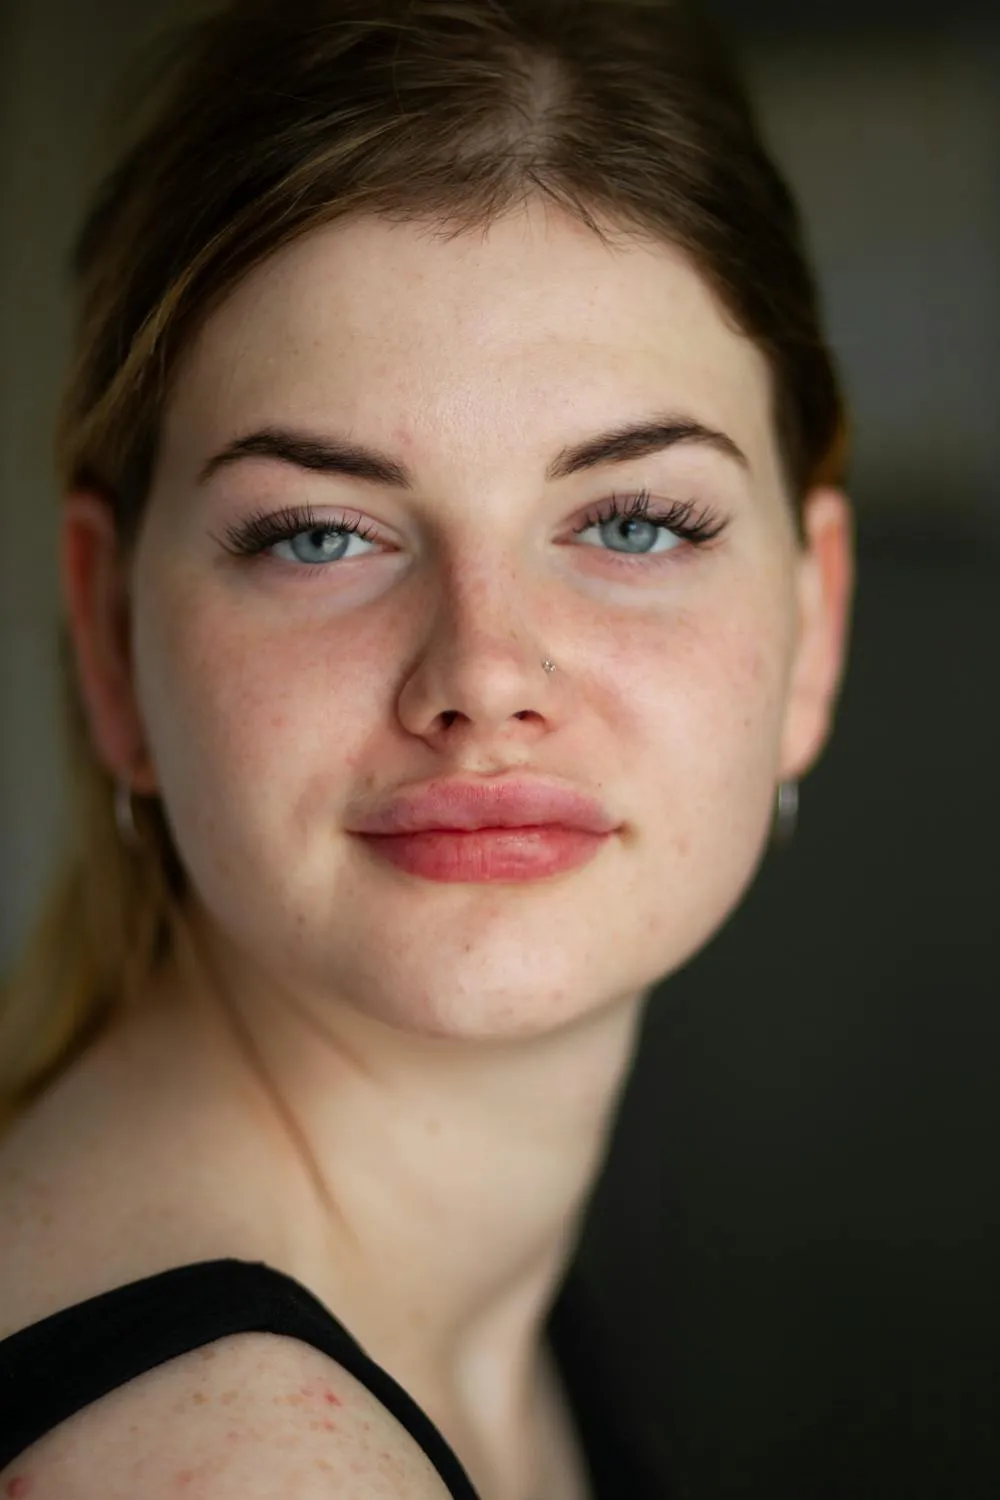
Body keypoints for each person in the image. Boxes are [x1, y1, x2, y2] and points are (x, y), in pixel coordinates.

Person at [0, 0, 854, 1494]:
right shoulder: (230, 1458)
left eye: (635, 521)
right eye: (321, 534)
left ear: (815, 618)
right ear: (106, 637)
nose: (482, 676)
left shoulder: (455, 1285)